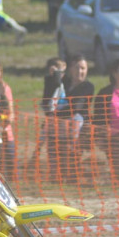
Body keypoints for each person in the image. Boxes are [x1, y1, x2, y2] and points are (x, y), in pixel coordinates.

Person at [43, 54, 94, 184]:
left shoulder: (87, 86)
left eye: (83, 68)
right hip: (57, 127)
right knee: (55, 154)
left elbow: (76, 107)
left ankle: (72, 178)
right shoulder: (63, 82)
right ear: (70, 68)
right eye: (77, 68)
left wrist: (56, 114)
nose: (80, 71)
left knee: (71, 156)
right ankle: (56, 178)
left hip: (76, 129)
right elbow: (47, 98)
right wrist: (53, 75)